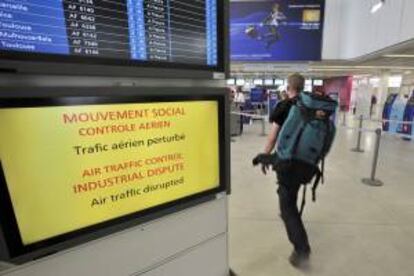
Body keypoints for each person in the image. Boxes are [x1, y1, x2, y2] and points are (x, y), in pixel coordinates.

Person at [263, 73, 312, 267]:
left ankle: (302, 250)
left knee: (288, 207)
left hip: (288, 164)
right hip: (307, 163)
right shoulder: (309, 105)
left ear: (288, 86)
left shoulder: (284, 106)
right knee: (289, 196)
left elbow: (272, 137)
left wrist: (265, 155)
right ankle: (288, 211)